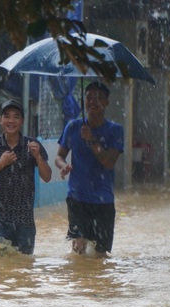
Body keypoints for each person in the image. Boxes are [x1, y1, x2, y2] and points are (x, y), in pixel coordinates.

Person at [54, 81, 124, 257]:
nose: (93, 101)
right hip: (77, 198)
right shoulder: (73, 127)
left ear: (107, 102)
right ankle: (80, 283)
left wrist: (92, 139)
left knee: (100, 256)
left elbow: (109, 163)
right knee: (78, 250)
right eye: (89, 97)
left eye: (99, 98)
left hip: (103, 201)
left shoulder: (115, 131)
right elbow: (59, 156)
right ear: (84, 100)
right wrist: (64, 167)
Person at [0, 99, 52, 255]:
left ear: (22, 121)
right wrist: (0, 164)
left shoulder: (32, 145)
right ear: (0, 120)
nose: (11, 121)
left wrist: (38, 157)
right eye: (7, 116)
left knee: (23, 267)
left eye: (16, 116)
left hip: (25, 219)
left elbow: (47, 176)